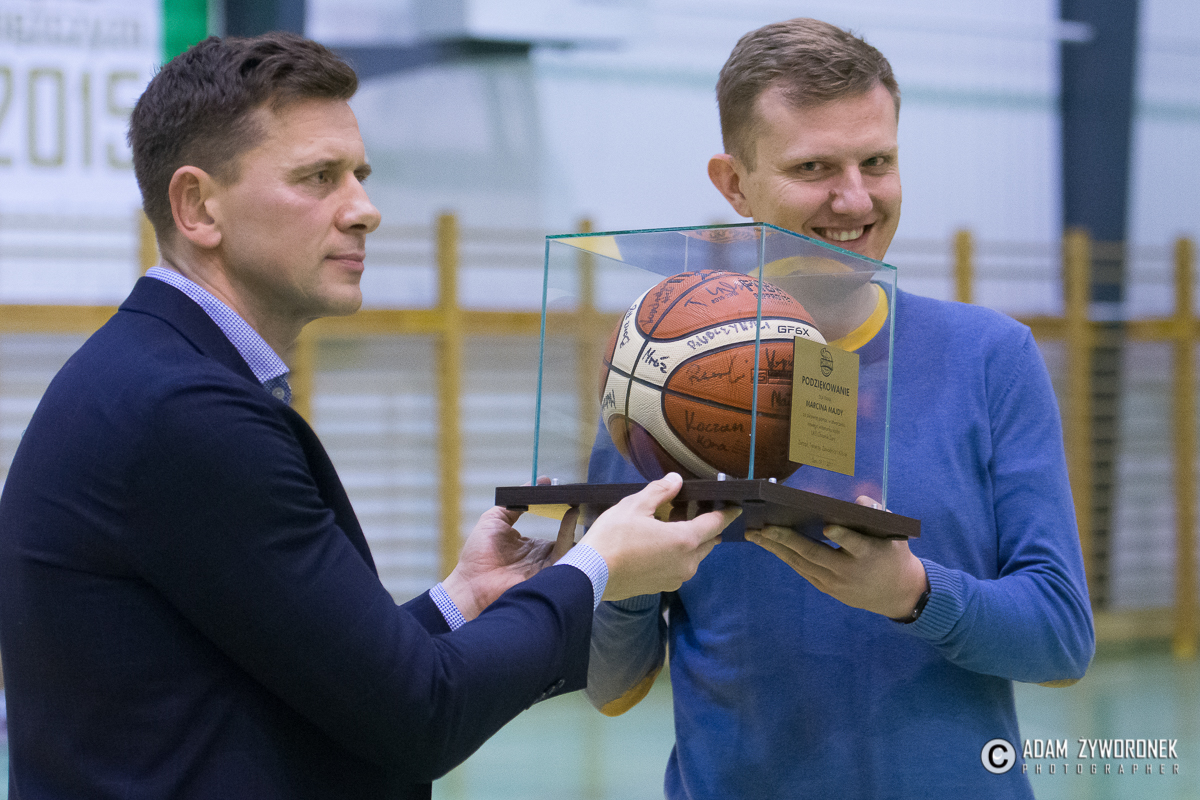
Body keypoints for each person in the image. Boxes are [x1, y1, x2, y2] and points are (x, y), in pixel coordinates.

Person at [0, 33, 740, 800]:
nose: (365, 210)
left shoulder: (156, 378)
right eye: (318, 177)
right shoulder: (183, 412)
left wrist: (464, 600)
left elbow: (331, 685)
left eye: (359, 176)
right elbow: (419, 713)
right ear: (197, 206)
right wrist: (600, 568)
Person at [583, 17, 1095, 798]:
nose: (854, 198)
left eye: (877, 162)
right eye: (813, 166)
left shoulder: (992, 358)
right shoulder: (655, 385)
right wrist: (618, 577)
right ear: (733, 183)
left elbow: (1060, 642)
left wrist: (915, 595)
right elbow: (613, 688)